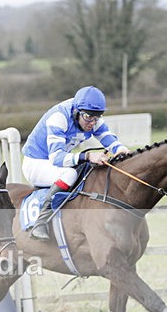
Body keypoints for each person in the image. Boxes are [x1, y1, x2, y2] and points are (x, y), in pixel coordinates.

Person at [22, 85, 130, 240]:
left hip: (54, 162)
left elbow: (107, 137)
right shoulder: (58, 118)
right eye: (88, 118)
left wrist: (121, 150)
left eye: (96, 118)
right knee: (70, 173)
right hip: (36, 163)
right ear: (76, 112)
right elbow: (57, 158)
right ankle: (41, 222)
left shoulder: (89, 115)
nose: (92, 123)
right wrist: (87, 156)